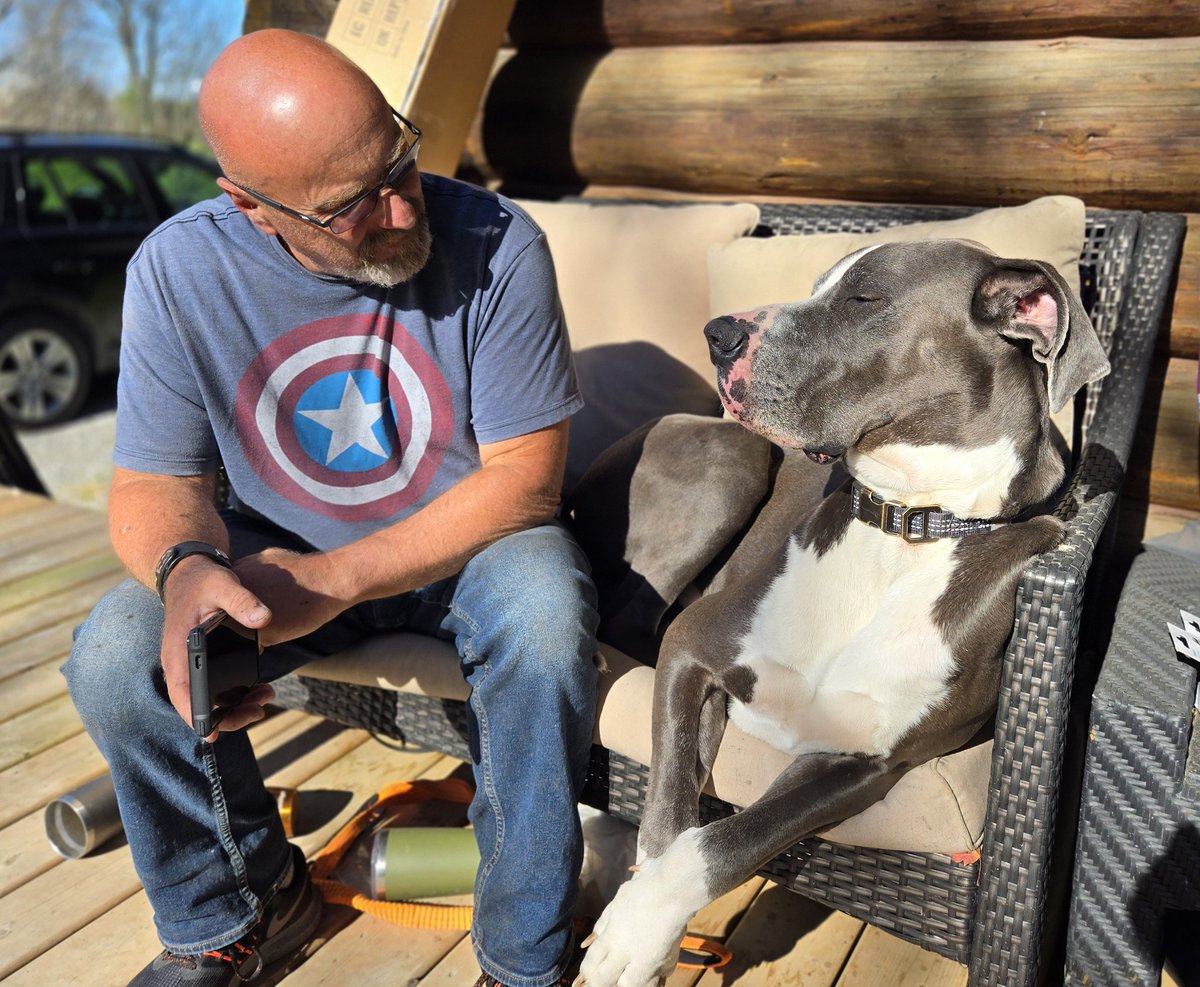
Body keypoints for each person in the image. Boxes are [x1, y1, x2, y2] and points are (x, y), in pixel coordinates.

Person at [63, 28, 600, 987]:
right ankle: (243, 910)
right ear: (251, 207)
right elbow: (155, 485)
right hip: (278, 558)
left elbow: (528, 479)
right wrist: (188, 571)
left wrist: (335, 579)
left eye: (401, 158)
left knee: (546, 614)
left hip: (473, 544)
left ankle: (526, 960)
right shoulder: (178, 271)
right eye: (349, 205)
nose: (399, 206)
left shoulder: (499, 243)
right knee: (114, 651)